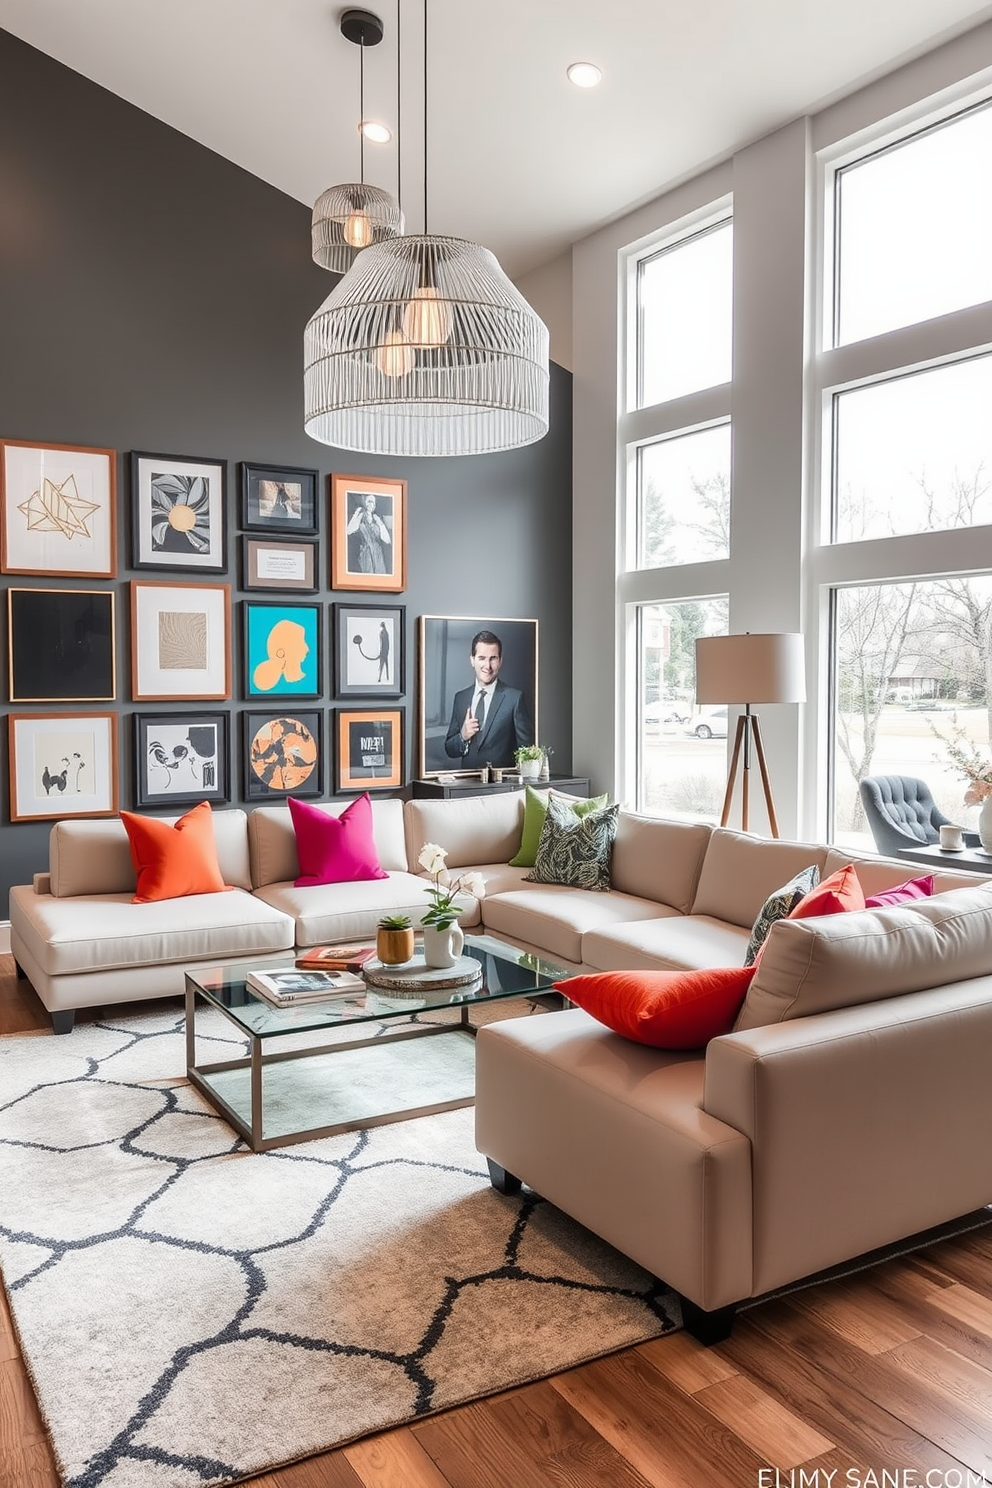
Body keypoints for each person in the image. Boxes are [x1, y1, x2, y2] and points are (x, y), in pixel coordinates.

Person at [444, 629, 533, 767]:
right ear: (472, 660)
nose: (488, 666)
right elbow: (450, 750)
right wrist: (463, 736)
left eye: (493, 658)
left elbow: (527, 753)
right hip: (466, 785)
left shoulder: (514, 699)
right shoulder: (460, 698)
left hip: (502, 786)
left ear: (500, 661)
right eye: (482, 658)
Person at [346, 492, 391, 574]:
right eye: (369, 501)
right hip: (366, 554)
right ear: (364, 502)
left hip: (378, 554)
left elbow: (387, 540)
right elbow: (349, 531)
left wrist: (380, 524)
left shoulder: (377, 519)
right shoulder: (360, 517)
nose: (372, 504)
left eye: (373, 502)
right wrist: (357, 514)